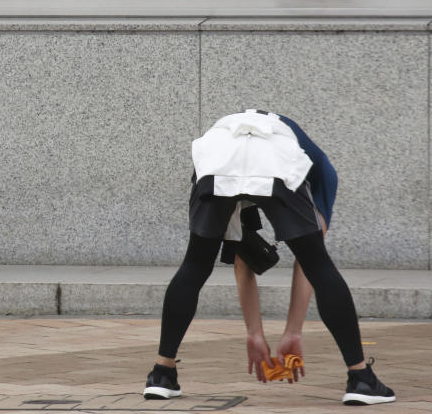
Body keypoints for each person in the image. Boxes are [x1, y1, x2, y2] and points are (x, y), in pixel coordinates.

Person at [143, 110, 395, 406]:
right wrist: (286, 332)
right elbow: (309, 263)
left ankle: (162, 373)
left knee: (196, 264)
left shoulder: (234, 141)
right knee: (319, 263)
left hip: (216, 161)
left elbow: (243, 257)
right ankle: (361, 378)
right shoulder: (322, 172)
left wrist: (262, 332)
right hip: (270, 163)